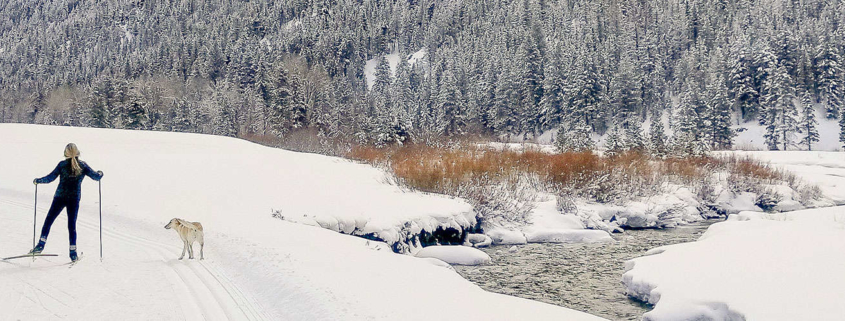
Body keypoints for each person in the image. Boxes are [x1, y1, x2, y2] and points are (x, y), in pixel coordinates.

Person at [30, 143, 103, 262]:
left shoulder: (62, 165)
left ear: (66, 153)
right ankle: (73, 253)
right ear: (78, 152)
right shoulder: (83, 166)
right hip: (74, 199)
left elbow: (50, 178)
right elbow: (96, 177)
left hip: (60, 197)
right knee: (71, 225)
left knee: (49, 220)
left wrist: (38, 181)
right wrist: (100, 173)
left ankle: (40, 245)